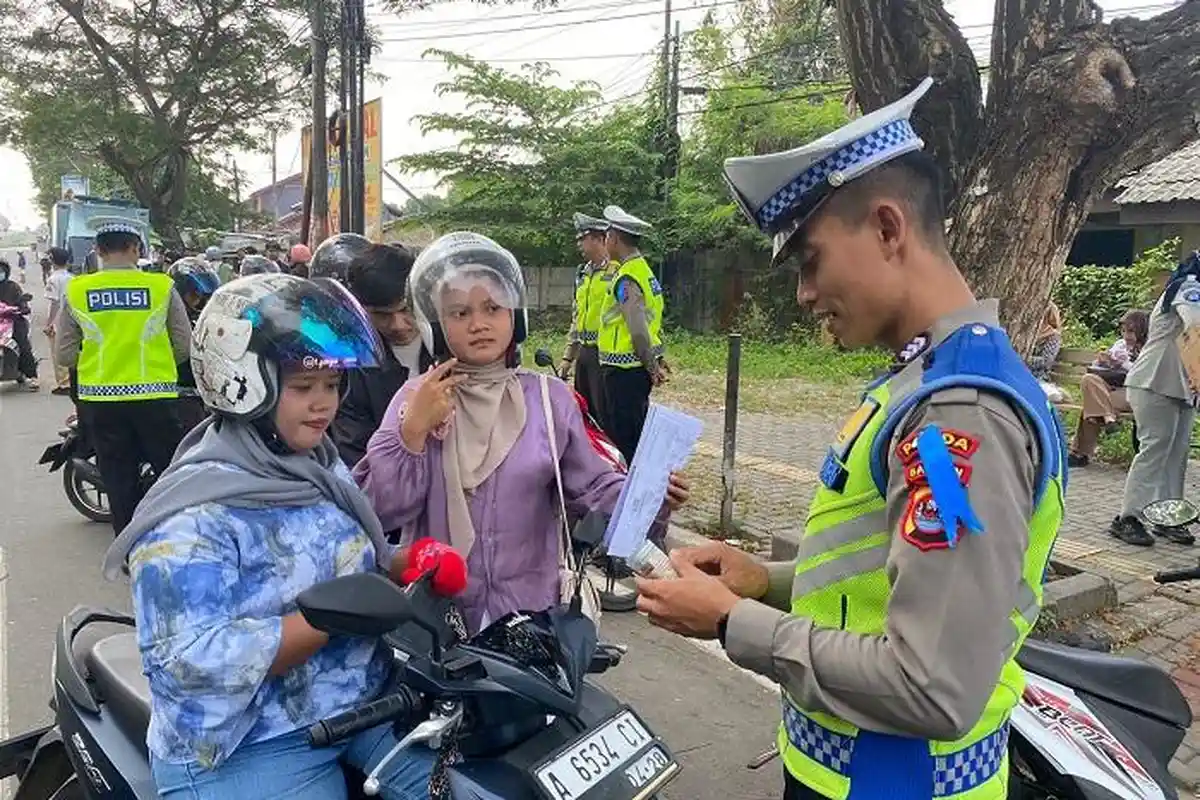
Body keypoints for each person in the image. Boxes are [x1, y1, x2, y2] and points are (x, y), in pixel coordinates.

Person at [634, 78, 1067, 800]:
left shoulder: (959, 416)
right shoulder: (922, 382)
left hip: (897, 784)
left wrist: (734, 622)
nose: (804, 294)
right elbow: (883, 576)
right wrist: (763, 580)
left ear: (889, 229)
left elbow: (932, 686)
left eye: (809, 260)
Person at [100, 274, 437, 800]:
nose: (323, 404)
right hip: (247, 740)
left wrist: (404, 562)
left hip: (361, 703)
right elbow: (188, 664)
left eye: (332, 385)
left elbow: (349, 563)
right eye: (303, 387)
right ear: (244, 386)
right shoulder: (192, 516)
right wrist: (322, 624)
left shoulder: (318, 467)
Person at [353, 232, 689, 636]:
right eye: (459, 313)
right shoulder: (418, 397)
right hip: (435, 623)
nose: (479, 324)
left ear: (515, 314)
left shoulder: (550, 400)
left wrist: (651, 495)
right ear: (437, 325)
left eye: (492, 308)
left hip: (528, 624)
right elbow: (380, 511)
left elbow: (595, 490)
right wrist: (412, 432)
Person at [54, 218, 191, 535]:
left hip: (101, 401)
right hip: (155, 397)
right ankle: (178, 541)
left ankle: (128, 553)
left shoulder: (77, 290)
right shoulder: (161, 287)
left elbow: (64, 354)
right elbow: (183, 345)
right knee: (171, 472)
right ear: (136, 248)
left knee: (117, 477)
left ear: (98, 251)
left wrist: (99, 362)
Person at [1113, 252, 1200, 547]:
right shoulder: (1187, 286)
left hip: (1185, 386)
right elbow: (1195, 324)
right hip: (1155, 380)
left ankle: (1168, 518)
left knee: (1177, 455)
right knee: (1155, 450)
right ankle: (1129, 518)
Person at [333, 243, 429, 470]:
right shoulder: (351, 366)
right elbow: (354, 456)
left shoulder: (451, 347)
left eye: (405, 310)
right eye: (381, 315)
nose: (398, 325)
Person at [597, 205, 668, 463]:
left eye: (606, 236)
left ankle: (628, 494)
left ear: (614, 238)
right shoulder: (644, 272)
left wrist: (651, 367)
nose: (605, 242)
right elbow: (653, 321)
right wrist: (657, 358)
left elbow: (638, 329)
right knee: (636, 432)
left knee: (625, 439)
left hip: (624, 371)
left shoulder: (627, 279)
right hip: (633, 370)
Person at [1067, 309, 1149, 469]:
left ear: (1142, 331)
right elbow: (1099, 368)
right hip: (1109, 387)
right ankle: (1108, 419)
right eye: (1123, 331)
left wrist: (1123, 363)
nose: (1126, 336)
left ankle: (1080, 453)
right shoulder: (1119, 345)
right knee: (1089, 379)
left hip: (1132, 391)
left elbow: (1142, 374)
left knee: (1092, 405)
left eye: (1131, 332)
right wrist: (1104, 362)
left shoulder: (1149, 349)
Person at [559, 212, 615, 427]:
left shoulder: (617, 271)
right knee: (584, 414)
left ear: (599, 239)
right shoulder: (583, 274)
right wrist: (567, 358)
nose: (580, 245)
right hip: (585, 355)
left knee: (606, 416)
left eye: (583, 239)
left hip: (607, 356)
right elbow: (577, 318)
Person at [0, 258, 38, 390]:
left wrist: (22, 308)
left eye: (1, 270)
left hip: (14, 321)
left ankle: (33, 377)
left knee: (23, 345)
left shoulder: (13, 287)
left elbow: (23, 304)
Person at [43, 246, 74, 395]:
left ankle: (63, 383)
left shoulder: (53, 279)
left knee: (57, 352)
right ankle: (72, 380)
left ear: (52, 261)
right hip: (72, 318)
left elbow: (54, 303)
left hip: (58, 320)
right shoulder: (72, 278)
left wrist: (49, 323)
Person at [1027, 301, 1063, 381]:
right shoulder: (1030, 333)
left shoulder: (1054, 336)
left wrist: (1025, 359)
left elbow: (1046, 361)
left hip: (1038, 376)